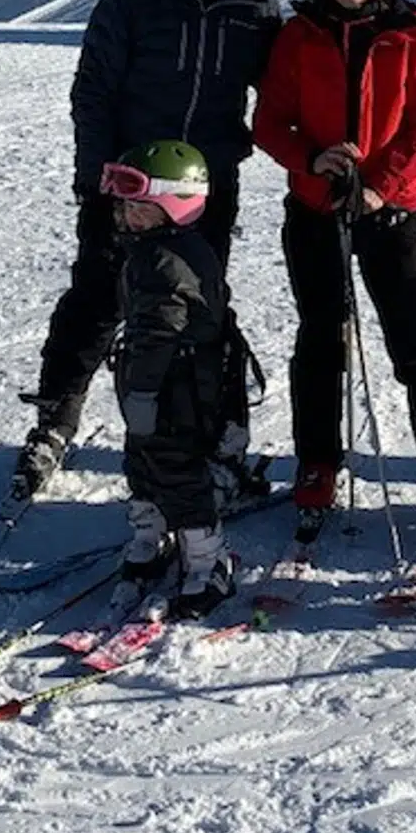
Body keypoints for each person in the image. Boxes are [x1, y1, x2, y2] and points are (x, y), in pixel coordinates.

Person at [15, 0, 281, 498]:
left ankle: (218, 433)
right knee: (99, 299)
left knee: (202, 308)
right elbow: (94, 91)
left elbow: (284, 95)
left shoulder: (256, 9)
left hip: (204, 188)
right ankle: (55, 420)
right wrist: (96, 180)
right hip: (128, 183)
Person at [251, 0, 416, 540]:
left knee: (413, 344)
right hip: (316, 210)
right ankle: (319, 462)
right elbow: (270, 122)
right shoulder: (299, 35)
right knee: (320, 339)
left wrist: (382, 185)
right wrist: (311, 160)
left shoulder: (410, 35)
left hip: (391, 211)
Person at [99, 140, 238, 618]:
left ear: (173, 207)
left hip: (173, 390)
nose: (127, 217)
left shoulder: (167, 262)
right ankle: (150, 530)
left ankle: (207, 558)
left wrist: (142, 392)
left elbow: (159, 331)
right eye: (125, 207)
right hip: (155, 388)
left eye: (139, 208)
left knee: (177, 469)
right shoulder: (154, 249)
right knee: (140, 461)